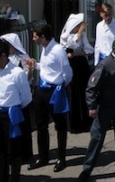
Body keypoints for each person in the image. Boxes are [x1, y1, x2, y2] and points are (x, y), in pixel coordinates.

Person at [28, 22, 73, 172]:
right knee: (41, 125)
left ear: (43, 37)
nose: (33, 39)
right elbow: (47, 67)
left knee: (60, 126)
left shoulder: (58, 50)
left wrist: (60, 86)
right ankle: (43, 157)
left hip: (54, 91)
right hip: (41, 89)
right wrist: (35, 65)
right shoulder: (44, 48)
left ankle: (61, 158)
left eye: (35, 36)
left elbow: (67, 73)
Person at [79, 37, 115, 182]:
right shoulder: (105, 65)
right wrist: (91, 106)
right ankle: (87, 170)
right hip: (104, 107)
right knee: (97, 138)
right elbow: (91, 87)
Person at [0, 39, 33, 182]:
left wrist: (13, 108)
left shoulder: (17, 73)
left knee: (13, 152)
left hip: (10, 117)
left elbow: (26, 97)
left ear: (3, 56)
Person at [60, 12, 94, 134]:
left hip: (80, 65)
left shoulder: (82, 35)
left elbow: (89, 50)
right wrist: (80, 31)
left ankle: (84, 120)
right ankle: (73, 122)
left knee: (82, 90)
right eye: (79, 25)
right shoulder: (65, 36)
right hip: (70, 65)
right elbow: (73, 43)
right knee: (72, 92)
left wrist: (75, 54)